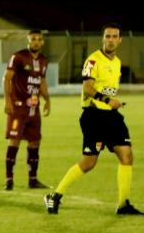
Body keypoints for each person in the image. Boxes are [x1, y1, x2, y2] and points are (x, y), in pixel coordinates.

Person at [44, 23, 143, 215]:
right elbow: (88, 88)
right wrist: (107, 100)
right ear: (103, 39)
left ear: (120, 40)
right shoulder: (93, 60)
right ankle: (54, 196)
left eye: (114, 37)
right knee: (89, 163)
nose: (111, 40)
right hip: (94, 116)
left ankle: (123, 204)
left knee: (127, 156)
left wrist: (112, 103)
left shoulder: (117, 63)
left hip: (112, 117)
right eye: (108, 36)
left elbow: (108, 89)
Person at [3, 29, 51, 190]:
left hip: (33, 110)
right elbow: (7, 78)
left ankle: (33, 180)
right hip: (18, 109)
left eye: (39, 39)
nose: (36, 42)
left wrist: (47, 100)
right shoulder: (18, 57)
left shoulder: (44, 60)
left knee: (35, 142)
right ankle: (9, 180)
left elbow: (42, 82)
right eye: (33, 39)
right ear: (28, 41)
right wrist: (7, 100)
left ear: (42, 42)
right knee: (14, 141)